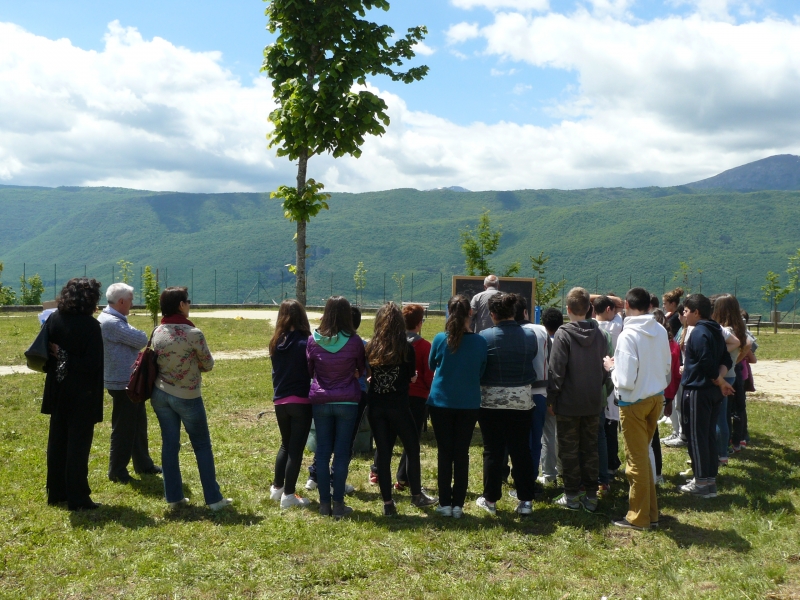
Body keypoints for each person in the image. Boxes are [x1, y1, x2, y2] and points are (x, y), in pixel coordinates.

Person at [150, 287, 232, 511]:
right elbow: (208, 364)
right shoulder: (194, 334)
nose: (189, 304)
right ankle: (214, 499)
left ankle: (174, 497)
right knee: (202, 445)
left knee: (169, 445)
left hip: (160, 394)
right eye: (187, 301)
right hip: (187, 395)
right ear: (180, 305)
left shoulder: (157, 331)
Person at [604, 288, 671, 531]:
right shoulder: (660, 329)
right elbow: (666, 365)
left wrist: (611, 367)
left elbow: (625, 380)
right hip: (655, 398)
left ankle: (639, 517)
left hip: (633, 402)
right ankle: (651, 513)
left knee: (636, 462)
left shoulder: (628, 335)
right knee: (643, 456)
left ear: (626, 306)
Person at [366, 302, 438, 515]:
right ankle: (416, 495)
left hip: (376, 406)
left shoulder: (371, 346)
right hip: (399, 406)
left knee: (384, 454)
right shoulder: (405, 348)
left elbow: (370, 373)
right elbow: (410, 376)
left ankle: (388, 503)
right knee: (412, 449)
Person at [42, 278, 104, 510]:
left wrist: (61, 355)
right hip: (82, 393)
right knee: (78, 446)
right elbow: (92, 363)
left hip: (57, 388)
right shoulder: (90, 326)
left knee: (58, 441)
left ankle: (57, 492)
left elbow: (45, 352)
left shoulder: (53, 319)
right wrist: (67, 356)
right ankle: (77, 496)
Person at [476, 292, 539, 516]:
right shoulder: (530, 336)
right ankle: (526, 501)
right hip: (522, 400)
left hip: (490, 401)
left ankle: (490, 500)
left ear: (492, 314)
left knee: (493, 451)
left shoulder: (484, 336)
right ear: (514, 312)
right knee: (520, 449)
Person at [548, 287, 609, 513]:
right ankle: (591, 496)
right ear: (590, 309)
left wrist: (551, 398)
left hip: (568, 402)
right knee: (590, 448)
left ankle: (572, 495)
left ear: (568, 309)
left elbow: (556, 371)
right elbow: (605, 368)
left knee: (569, 450)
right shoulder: (600, 334)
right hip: (593, 401)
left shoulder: (563, 334)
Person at [427, 295, 488, 518]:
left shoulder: (440, 339)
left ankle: (444, 503)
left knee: (445, 452)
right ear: (470, 313)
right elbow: (482, 370)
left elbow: (431, 364)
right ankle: (458, 505)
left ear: (448, 311)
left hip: (441, 401)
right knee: (461, 453)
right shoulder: (480, 342)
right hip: (468, 403)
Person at [307, 296, 365, 519]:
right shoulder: (354, 340)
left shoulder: (313, 340)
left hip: (321, 400)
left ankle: (323, 505)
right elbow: (362, 368)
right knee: (341, 454)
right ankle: (338, 504)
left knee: (322, 452)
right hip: (347, 401)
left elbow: (310, 370)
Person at [98, 282, 161, 484]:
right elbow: (142, 339)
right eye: (131, 300)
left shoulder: (114, 319)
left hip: (128, 380)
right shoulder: (112, 322)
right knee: (124, 428)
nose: (132, 304)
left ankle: (143, 464)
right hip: (122, 382)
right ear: (122, 301)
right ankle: (117, 470)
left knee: (138, 424)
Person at [679, 294, 734, 499]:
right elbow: (726, 359)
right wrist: (721, 380)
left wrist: (719, 380)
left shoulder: (699, 332)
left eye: (686, 311)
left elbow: (705, 362)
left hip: (698, 391)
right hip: (712, 391)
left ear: (696, 312)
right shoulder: (715, 329)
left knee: (696, 437)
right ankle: (709, 479)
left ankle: (701, 483)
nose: (684, 315)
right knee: (708, 435)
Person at [268, 299, 313, 509]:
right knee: (296, 449)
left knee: (285, 444)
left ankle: (277, 488)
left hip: (280, 401)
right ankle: (288, 495)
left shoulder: (276, 342)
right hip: (301, 401)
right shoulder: (306, 342)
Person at [393, 304, 434, 490]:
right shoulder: (425, 346)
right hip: (418, 397)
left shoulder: (394, 343)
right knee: (412, 439)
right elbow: (428, 375)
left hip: (397, 395)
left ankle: (385, 472)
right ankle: (404, 477)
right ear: (419, 324)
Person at [711, 295, 749, 467]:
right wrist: (737, 360)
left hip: (722, 374)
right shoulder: (739, 327)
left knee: (719, 416)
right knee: (724, 415)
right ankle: (724, 450)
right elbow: (748, 344)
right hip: (732, 373)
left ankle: (720, 454)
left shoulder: (725, 330)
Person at [593, 295, 623, 489]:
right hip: (611, 382)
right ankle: (611, 464)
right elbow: (620, 304)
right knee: (609, 428)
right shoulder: (615, 326)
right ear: (609, 309)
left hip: (599, 383)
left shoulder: (596, 326)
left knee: (603, 429)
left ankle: (605, 466)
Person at [538, 307, 564, 485]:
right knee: (561, 434)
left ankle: (549, 474)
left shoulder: (544, 341)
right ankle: (563, 469)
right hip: (565, 393)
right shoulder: (564, 341)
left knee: (548, 435)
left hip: (549, 393)